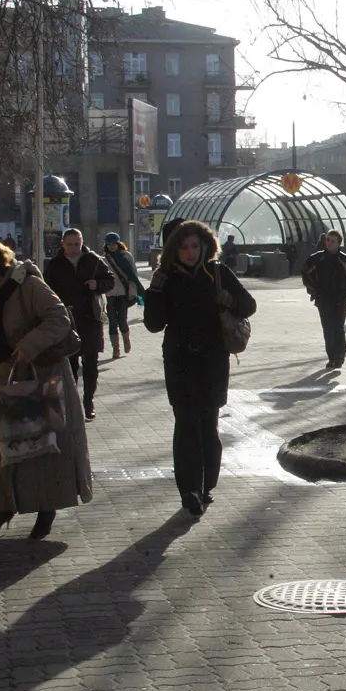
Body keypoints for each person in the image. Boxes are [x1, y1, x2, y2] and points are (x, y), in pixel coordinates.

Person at [0, 240, 92, 540]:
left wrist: (28, 347)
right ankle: (4, 507)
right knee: (6, 447)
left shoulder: (30, 285)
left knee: (44, 446)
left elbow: (59, 319)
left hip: (42, 376)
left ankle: (46, 511)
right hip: (11, 378)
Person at [143, 220, 256, 518]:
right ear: (174, 250)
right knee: (186, 423)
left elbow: (249, 305)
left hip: (213, 360)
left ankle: (206, 485)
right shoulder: (165, 278)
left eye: (195, 246)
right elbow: (153, 324)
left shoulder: (217, 272)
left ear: (205, 246)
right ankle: (189, 490)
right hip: (180, 360)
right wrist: (155, 292)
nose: (191, 253)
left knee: (208, 424)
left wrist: (228, 299)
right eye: (184, 247)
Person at [44, 228, 114, 422]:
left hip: (90, 320)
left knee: (91, 364)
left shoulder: (93, 260)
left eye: (77, 243)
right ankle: (72, 403)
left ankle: (88, 402)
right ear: (63, 245)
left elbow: (110, 280)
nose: (74, 248)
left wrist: (97, 285)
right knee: (70, 365)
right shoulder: (55, 265)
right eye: (70, 244)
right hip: (67, 321)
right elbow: (46, 289)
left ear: (82, 242)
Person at [301, 229, 346, 369]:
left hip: (340, 299)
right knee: (328, 329)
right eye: (327, 240)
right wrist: (313, 289)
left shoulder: (345, 260)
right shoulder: (317, 258)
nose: (329, 243)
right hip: (323, 299)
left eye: (333, 241)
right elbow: (305, 272)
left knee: (338, 328)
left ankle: (339, 357)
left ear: (339, 243)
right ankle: (331, 357)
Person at [101, 232, 144, 359]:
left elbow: (133, 275)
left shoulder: (127, 256)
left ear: (118, 243)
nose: (111, 247)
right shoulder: (104, 259)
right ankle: (116, 349)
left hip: (124, 293)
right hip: (110, 293)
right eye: (109, 244)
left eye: (113, 244)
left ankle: (126, 339)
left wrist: (133, 292)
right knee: (112, 321)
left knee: (122, 319)